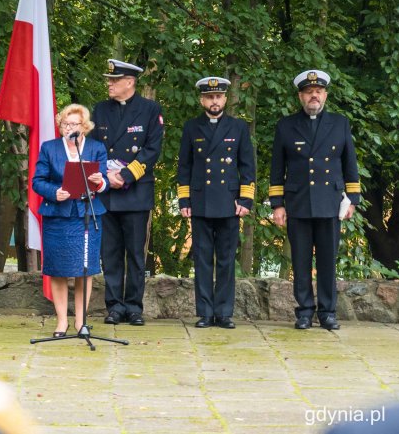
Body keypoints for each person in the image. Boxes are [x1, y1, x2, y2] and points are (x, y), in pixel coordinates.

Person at [270, 70, 361, 331]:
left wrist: (352, 199)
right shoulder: (286, 125)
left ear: (325, 95)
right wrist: (277, 204)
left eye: (318, 92)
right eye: (309, 92)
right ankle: (304, 311)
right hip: (298, 203)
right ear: (301, 96)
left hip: (329, 202)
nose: (314, 96)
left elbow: (350, 164)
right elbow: (277, 168)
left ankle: (328, 312)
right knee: (300, 261)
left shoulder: (340, 123)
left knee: (327, 261)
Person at [177, 77, 256, 329]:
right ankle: (205, 312)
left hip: (229, 202)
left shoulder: (238, 127)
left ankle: (223, 312)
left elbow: (247, 166)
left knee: (225, 259)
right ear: (202, 99)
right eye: (209, 97)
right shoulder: (191, 127)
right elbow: (184, 166)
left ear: (225, 99)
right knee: (202, 259)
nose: (214, 101)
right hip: (200, 202)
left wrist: (246, 199)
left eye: (219, 96)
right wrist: (184, 199)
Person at [90, 59, 163, 326]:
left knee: (134, 253)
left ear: (130, 82)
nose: (109, 83)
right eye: (109, 79)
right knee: (109, 253)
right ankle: (114, 306)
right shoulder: (100, 110)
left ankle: (134, 306)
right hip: (107, 191)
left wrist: (126, 175)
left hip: (135, 192)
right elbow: (93, 148)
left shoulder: (149, 110)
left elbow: (152, 150)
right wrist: (106, 176)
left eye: (114, 80)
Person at [32, 104, 108, 336]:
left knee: (84, 270)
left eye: (74, 124)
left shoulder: (96, 148)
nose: (69, 128)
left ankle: (80, 322)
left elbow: (104, 181)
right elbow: (37, 180)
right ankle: (62, 321)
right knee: (58, 270)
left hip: (86, 215)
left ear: (84, 127)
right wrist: (54, 192)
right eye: (65, 124)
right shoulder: (49, 148)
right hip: (57, 217)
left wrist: (99, 181)